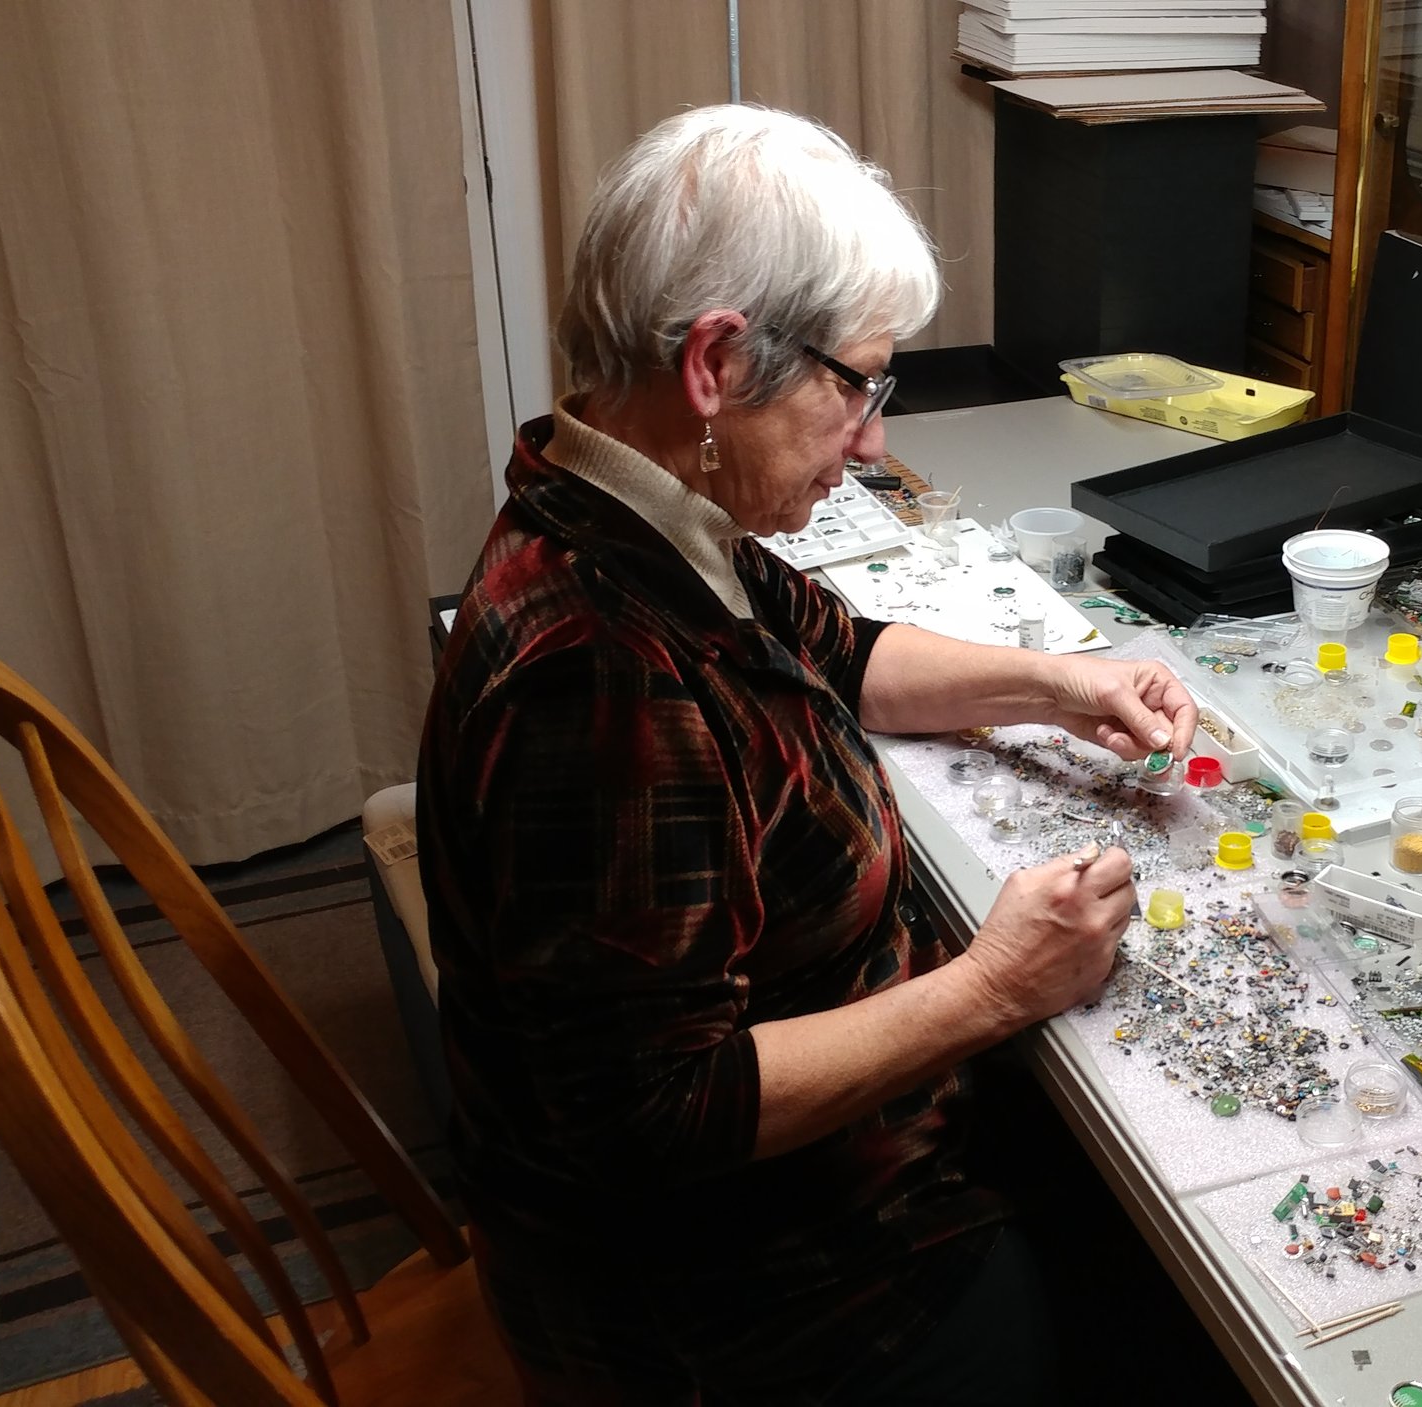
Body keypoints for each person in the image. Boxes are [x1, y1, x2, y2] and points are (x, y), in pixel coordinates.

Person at [415, 104, 1197, 1405]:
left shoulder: (623, 493)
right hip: (738, 1313)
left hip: (786, 1199)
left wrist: (1059, 683)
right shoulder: (598, 672)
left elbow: (838, 647)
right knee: (1160, 1304)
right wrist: (998, 981)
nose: (875, 438)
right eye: (858, 385)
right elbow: (657, 1118)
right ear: (717, 363)